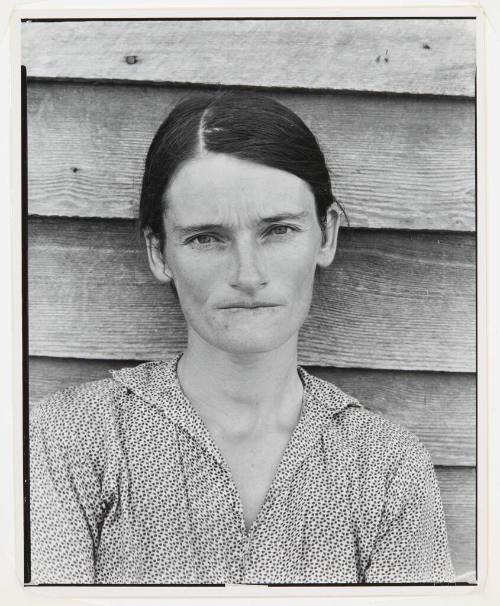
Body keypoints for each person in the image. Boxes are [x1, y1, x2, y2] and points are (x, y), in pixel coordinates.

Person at [29, 91, 455, 585]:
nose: (248, 274)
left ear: (327, 234)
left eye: (278, 231)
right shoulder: (66, 440)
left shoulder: (386, 467)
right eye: (205, 238)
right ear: (159, 252)